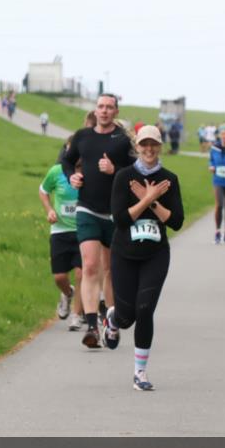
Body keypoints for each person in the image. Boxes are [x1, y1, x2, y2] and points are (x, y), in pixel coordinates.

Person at [102, 125, 184, 391]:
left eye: (154, 144)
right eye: (144, 144)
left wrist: (153, 201)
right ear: (137, 146)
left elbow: (177, 222)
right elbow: (121, 219)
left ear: (160, 146)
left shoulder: (169, 179)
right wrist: (147, 198)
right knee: (128, 317)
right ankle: (113, 319)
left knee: (145, 309)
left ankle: (140, 373)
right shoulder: (124, 177)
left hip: (155, 254)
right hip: (124, 253)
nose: (149, 149)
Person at [59, 93, 134, 349]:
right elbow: (66, 162)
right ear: (96, 110)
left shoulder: (122, 141)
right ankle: (91, 326)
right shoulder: (83, 136)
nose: (104, 111)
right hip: (87, 209)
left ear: (115, 111)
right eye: (100, 106)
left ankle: (110, 322)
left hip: (114, 212)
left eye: (109, 107)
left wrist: (115, 171)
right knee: (90, 266)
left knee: (110, 271)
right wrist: (72, 177)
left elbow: (133, 171)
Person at [39, 161, 84, 330]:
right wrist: (49, 210)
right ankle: (68, 293)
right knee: (59, 277)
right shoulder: (56, 171)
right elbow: (43, 191)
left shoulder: (90, 169)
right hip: (60, 231)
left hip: (84, 230)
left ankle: (77, 315)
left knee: (81, 274)